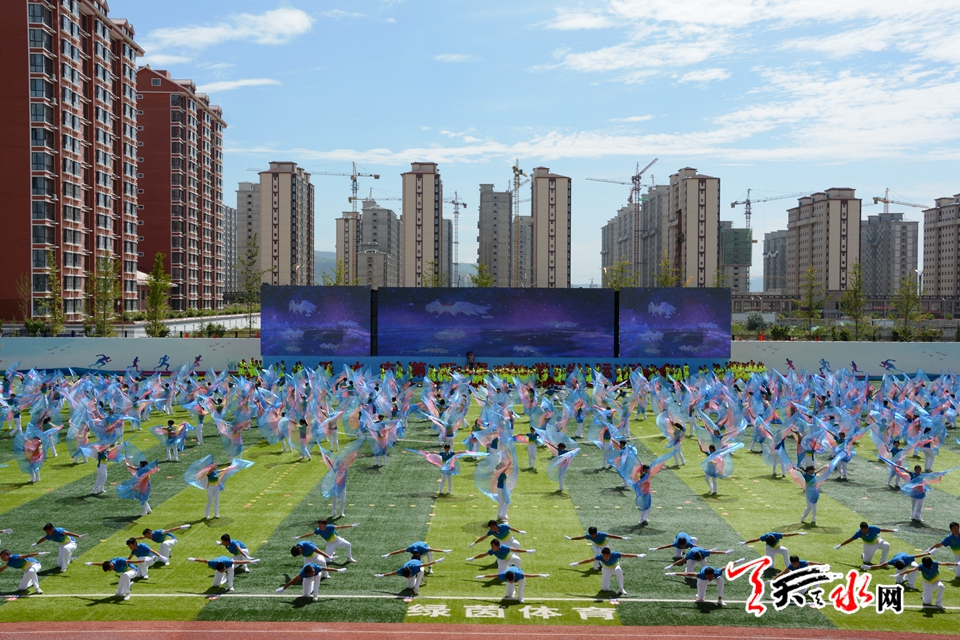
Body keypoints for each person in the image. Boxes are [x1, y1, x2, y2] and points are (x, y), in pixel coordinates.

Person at [570, 546, 645, 597]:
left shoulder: (615, 554)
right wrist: (578, 563)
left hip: (615, 566)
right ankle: (608, 587)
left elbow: (625, 555)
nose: (605, 558)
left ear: (610, 554)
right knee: (604, 589)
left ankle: (621, 589)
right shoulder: (600, 556)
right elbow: (590, 560)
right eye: (604, 556)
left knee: (619, 570)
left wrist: (637, 555)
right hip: (606, 569)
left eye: (607, 556)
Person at [375, 554, 445, 596]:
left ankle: (416, 588)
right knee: (409, 587)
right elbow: (392, 573)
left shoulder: (416, 566)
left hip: (420, 567)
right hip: (412, 569)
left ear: (410, 572)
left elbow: (426, 564)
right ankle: (418, 580)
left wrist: (437, 561)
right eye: (407, 577)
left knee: (421, 572)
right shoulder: (401, 571)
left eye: (409, 576)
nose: (408, 577)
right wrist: (382, 575)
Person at [293, 519, 358, 563]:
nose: (318, 526)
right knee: (327, 560)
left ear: (324, 525)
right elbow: (310, 534)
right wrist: (299, 537)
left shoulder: (329, 527)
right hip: (329, 543)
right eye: (318, 524)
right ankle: (332, 554)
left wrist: (352, 525)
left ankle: (349, 558)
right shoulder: (318, 530)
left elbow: (341, 527)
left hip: (337, 540)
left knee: (348, 544)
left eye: (320, 524)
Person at [566, 527, 631, 570]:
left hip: (605, 546)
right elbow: (581, 537)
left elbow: (611, 536)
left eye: (593, 535)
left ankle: (602, 564)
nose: (592, 536)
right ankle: (595, 565)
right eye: (591, 535)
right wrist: (571, 538)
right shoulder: (589, 536)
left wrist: (622, 538)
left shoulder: (601, 534)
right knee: (597, 552)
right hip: (597, 545)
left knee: (606, 556)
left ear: (596, 533)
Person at [474, 566, 548, 603]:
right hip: (509, 571)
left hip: (518, 573)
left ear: (514, 578)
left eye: (512, 580)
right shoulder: (503, 575)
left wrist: (540, 575)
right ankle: (511, 593)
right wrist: (483, 576)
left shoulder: (519, 574)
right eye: (509, 581)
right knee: (508, 594)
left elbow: (530, 575)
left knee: (522, 582)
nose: (511, 582)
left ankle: (520, 598)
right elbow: (493, 575)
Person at [186, 555, 259, 592]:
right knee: (215, 585)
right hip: (220, 565)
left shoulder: (229, 562)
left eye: (223, 570)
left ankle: (230, 586)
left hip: (229, 565)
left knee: (231, 572)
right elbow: (204, 560)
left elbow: (239, 562)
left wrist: (250, 561)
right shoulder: (213, 563)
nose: (222, 571)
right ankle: (225, 577)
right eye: (221, 571)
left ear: (224, 567)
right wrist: (194, 559)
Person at [739, 531, 807, 568]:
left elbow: (787, 534)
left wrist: (798, 533)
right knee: (771, 567)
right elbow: (756, 539)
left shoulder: (776, 535)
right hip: (770, 550)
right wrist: (745, 542)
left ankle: (788, 567)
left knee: (785, 550)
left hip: (778, 547)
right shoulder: (764, 537)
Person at [868, 551, 932, 589]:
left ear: (903, 564)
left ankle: (910, 584)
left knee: (916, 567)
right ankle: (906, 576)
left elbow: (917, 556)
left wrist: (928, 553)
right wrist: (869, 567)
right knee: (898, 582)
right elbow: (881, 565)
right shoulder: (892, 561)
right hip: (901, 564)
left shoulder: (907, 558)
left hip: (909, 562)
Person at [467, 539, 536, 572]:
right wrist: (473, 558)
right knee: (501, 575)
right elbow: (484, 554)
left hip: (510, 557)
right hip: (501, 561)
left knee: (517, 559)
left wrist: (527, 551)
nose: (491, 548)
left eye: (493, 546)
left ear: (497, 546)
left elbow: (515, 550)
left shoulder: (504, 547)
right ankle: (509, 568)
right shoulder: (492, 550)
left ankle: (519, 572)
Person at [382, 541, 451, 572]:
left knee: (430, 553)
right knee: (418, 563)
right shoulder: (410, 548)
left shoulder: (423, 548)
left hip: (426, 550)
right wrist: (389, 554)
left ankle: (430, 568)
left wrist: (444, 551)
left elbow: (432, 549)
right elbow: (400, 551)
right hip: (420, 553)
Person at [666, 546, 735, 573]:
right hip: (691, 558)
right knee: (688, 576)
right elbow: (681, 560)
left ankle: (704, 571)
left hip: (700, 550)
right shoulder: (689, 556)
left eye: (700, 558)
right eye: (699, 559)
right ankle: (687, 569)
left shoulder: (703, 552)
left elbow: (714, 552)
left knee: (704, 562)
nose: (700, 559)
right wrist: (672, 565)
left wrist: (725, 552)